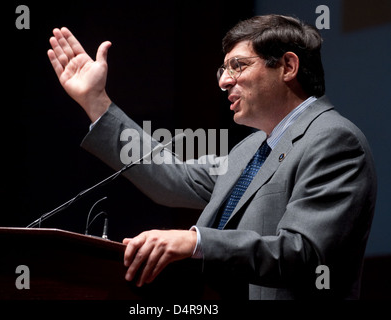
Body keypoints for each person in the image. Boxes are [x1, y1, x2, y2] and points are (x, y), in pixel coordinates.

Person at [47, 14, 377, 299]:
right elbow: (171, 176)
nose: (223, 81)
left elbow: (303, 253)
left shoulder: (333, 140)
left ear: (288, 66)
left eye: (239, 65)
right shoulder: (251, 149)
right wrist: (96, 102)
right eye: (223, 68)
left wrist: (196, 242)